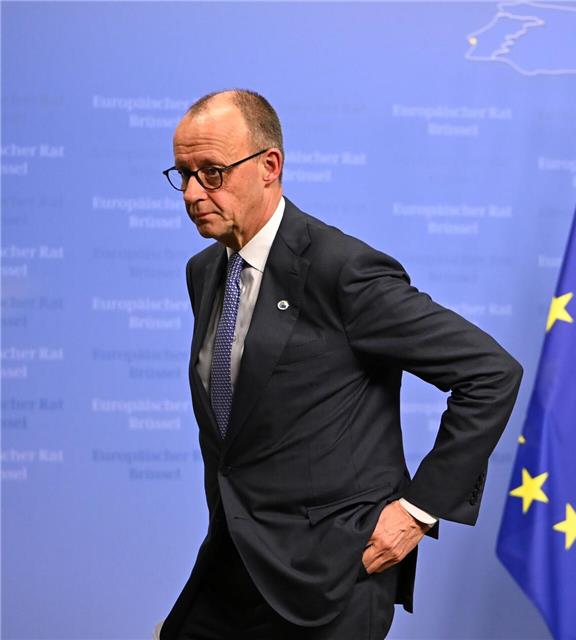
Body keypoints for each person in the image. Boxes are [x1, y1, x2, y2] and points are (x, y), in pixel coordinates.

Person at [158, 89, 522, 639]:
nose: (191, 193)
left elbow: (491, 373)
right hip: (233, 565)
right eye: (183, 174)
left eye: (212, 173)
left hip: (333, 575)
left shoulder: (341, 269)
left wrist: (419, 510)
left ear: (269, 167)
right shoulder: (205, 271)